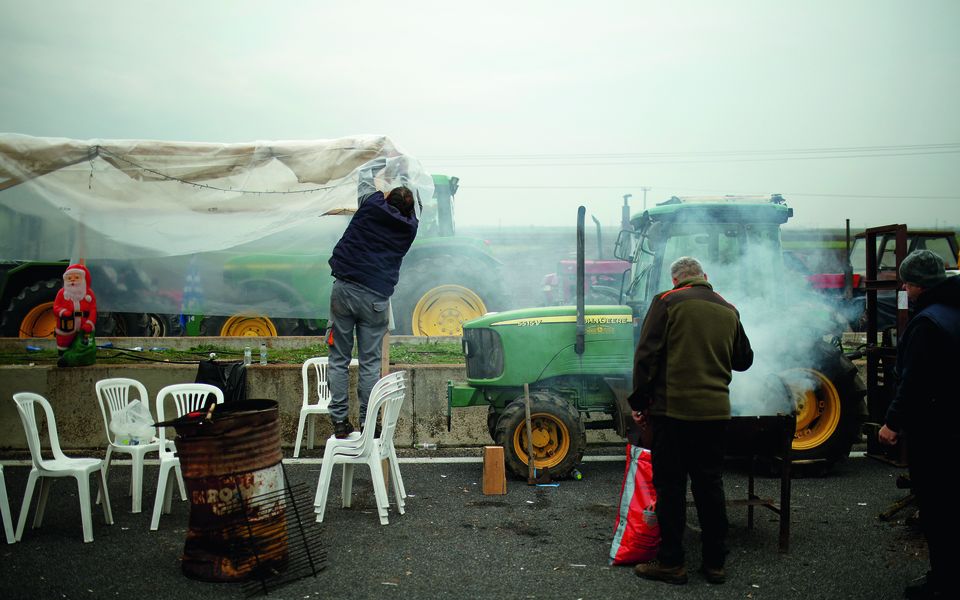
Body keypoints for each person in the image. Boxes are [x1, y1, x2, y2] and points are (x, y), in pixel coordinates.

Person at [629, 256, 753, 586]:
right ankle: (714, 564)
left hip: (673, 413)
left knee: (671, 487)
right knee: (709, 485)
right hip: (715, 414)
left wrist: (639, 402)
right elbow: (744, 360)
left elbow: (646, 356)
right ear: (705, 277)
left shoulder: (667, 302)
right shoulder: (728, 308)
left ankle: (672, 563)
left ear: (676, 281)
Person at [878, 249, 959, 600]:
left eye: (906, 285)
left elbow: (915, 381)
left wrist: (891, 423)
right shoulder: (954, 311)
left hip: (937, 431)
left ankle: (943, 584)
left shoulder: (928, 323)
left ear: (916, 286)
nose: (905, 291)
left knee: (939, 510)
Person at [326, 161, 419, 438]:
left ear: (387, 198)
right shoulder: (410, 228)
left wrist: (383, 159)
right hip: (376, 300)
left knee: (339, 360)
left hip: (344, 291)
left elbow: (365, 176)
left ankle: (340, 423)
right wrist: (406, 170)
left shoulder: (370, 206)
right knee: (369, 363)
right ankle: (369, 424)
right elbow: (418, 202)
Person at [54, 263, 97, 354]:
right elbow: (56, 307)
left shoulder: (89, 294)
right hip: (66, 326)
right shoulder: (62, 293)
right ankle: (63, 355)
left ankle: (84, 355)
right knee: (64, 343)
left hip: (84, 326)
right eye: (69, 278)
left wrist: (90, 323)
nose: (72, 280)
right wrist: (63, 312)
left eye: (77, 277)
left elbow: (93, 310)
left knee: (85, 345)